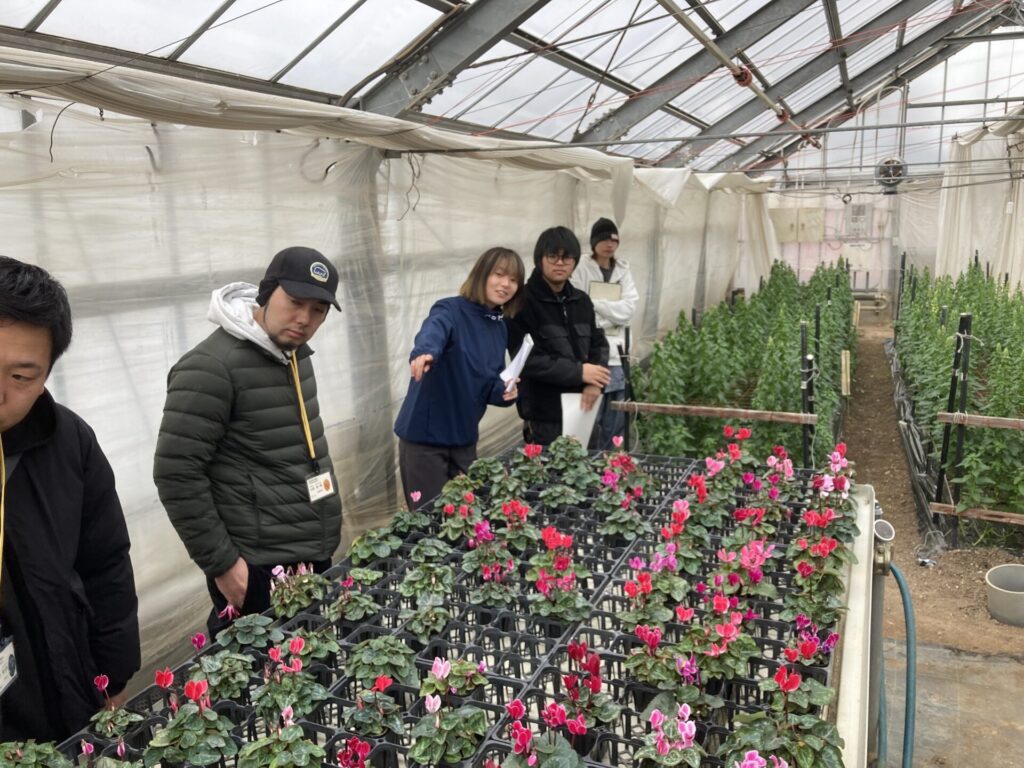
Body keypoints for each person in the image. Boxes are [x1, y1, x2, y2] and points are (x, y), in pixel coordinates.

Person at [154, 246, 343, 636]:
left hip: (309, 549)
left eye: (319, 310)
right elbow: (176, 473)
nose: (305, 319)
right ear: (267, 292)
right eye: (295, 302)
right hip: (259, 563)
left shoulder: (294, 354)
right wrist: (226, 568)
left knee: (308, 664)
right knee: (258, 667)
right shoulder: (211, 367)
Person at [0, 256, 140, 741]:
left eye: (21, 377)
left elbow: (106, 563)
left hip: (67, 689)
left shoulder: (68, 440)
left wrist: (113, 677)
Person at [394, 247, 526, 507]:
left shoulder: (499, 327)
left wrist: (505, 391)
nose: (506, 284)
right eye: (499, 274)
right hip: (426, 440)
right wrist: (425, 352)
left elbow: (489, 382)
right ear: (481, 274)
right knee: (429, 520)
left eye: (513, 280)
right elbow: (434, 330)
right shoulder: (451, 309)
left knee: (468, 516)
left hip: (464, 439)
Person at [508, 227, 610, 446]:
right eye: (553, 256)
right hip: (544, 416)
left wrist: (595, 383)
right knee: (549, 468)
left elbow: (599, 344)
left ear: (575, 262)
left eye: (567, 257)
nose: (560, 263)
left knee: (587, 465)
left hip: (583, 408)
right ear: (540, 259)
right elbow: (526, 360)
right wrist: (579, 372)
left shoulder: (581, 301)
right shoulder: (522, 302)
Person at [570, 217, 639, 449]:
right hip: (590, 355)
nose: (609, 245)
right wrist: (612, 312)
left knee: (615, 418)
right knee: (588, 416)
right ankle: (586, 461)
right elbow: (579, 308)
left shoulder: (623, 270)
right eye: (603, 240)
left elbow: (628, 310)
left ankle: (610, 462)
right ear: (593, 243)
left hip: (618, 355)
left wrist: (595, 303)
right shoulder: (581, 268)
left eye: (614, 240)